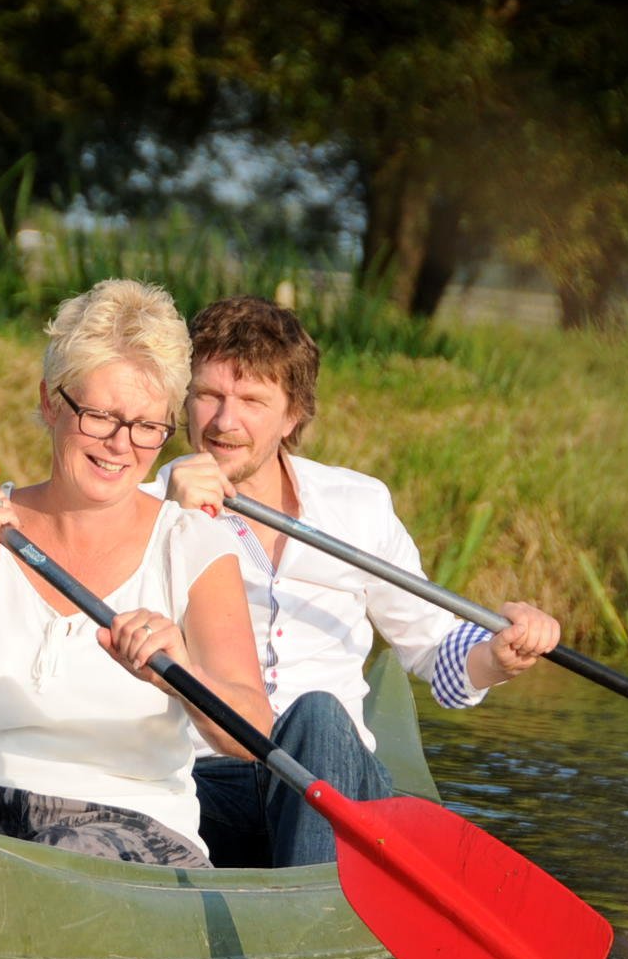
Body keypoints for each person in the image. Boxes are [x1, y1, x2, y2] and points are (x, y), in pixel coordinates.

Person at [0, 279, 272, 869]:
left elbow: (252, 734)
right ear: (53, 402)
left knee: (70, 853)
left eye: (147, 426)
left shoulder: (192, 545)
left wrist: (179, 672)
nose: (120, 445)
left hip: (127, 821)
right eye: (100, 416)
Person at [146, 295, 561, 869]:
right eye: (208, 395)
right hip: (206, 783)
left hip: (341, 786)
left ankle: (307, 919)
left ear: (293, 415)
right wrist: (167, 520)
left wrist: (500, 654)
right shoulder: (144, 509)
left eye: (251, 401)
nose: (224, 421)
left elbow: (435, 648)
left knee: (315, 715)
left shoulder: (357, 505)